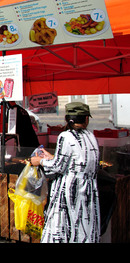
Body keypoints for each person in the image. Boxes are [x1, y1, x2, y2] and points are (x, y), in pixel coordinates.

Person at [31, 102, 100, 243]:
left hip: (71, 192)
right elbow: (75, 161)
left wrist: (40, 161)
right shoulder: (91, 137)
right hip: (88, 192)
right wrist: (52, 157)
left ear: (66, 119)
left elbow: (58, 167)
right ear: (86, 119)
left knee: (66, 229)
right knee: (83, 229)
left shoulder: (66, 136)